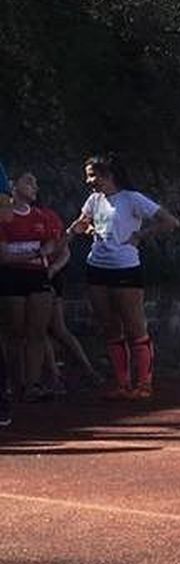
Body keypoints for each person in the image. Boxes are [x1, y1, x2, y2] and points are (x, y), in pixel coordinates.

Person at [68, 156, 179, 400]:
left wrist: (141, 235)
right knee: (110, 327)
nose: (89, 181)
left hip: (125, 268)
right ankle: (122, 383)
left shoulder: (132, 199)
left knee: (134, 326)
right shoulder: (94, 200)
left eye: (93, 175)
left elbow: (170, 221)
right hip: (97, 267)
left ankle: (144, 383)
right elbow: (83, 221)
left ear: (109, 175)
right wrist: (79, 229)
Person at [0, 171, 67, 402]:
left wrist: (45, 255)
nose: (34, 187)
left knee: (37, 332)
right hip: (11, 278)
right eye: (29, 182)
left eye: (36, 182)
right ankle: (13, 383)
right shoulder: (4, 217)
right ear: (13, 185)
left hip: (37, 276)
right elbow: (4, 257)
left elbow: (54, 244)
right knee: (14, 332)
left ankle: (32, 384)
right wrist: (36, 253)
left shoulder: (42, 216)